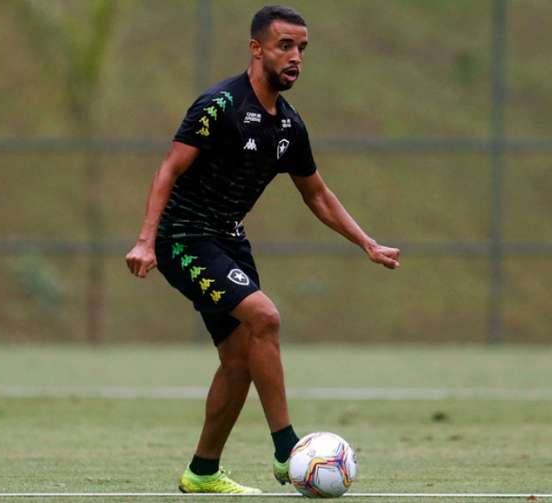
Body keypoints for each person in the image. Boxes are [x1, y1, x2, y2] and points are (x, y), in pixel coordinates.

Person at [125, 5, 400, 494]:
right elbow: (168, 169)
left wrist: (366, 242)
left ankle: (202, 472)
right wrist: (146, 241)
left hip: (230, 239)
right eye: (285, 46)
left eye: (302, 49)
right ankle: (287, 451)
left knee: (239, 360)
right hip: (182, 238)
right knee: (265, 318)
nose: (296, 57)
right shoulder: (219, 107)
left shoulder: (290, 127)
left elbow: (315, 193)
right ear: (257, 49)